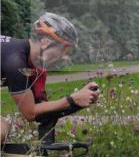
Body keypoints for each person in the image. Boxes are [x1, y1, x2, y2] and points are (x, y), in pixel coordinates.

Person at [1, 13, 101, 144]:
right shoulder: (15, 62)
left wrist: (75, 102)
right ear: (45, 43)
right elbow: (30, 113)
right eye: (64, 50)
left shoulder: (31, 65)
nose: (65, 57)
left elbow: (41, 110)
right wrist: (73, 99)